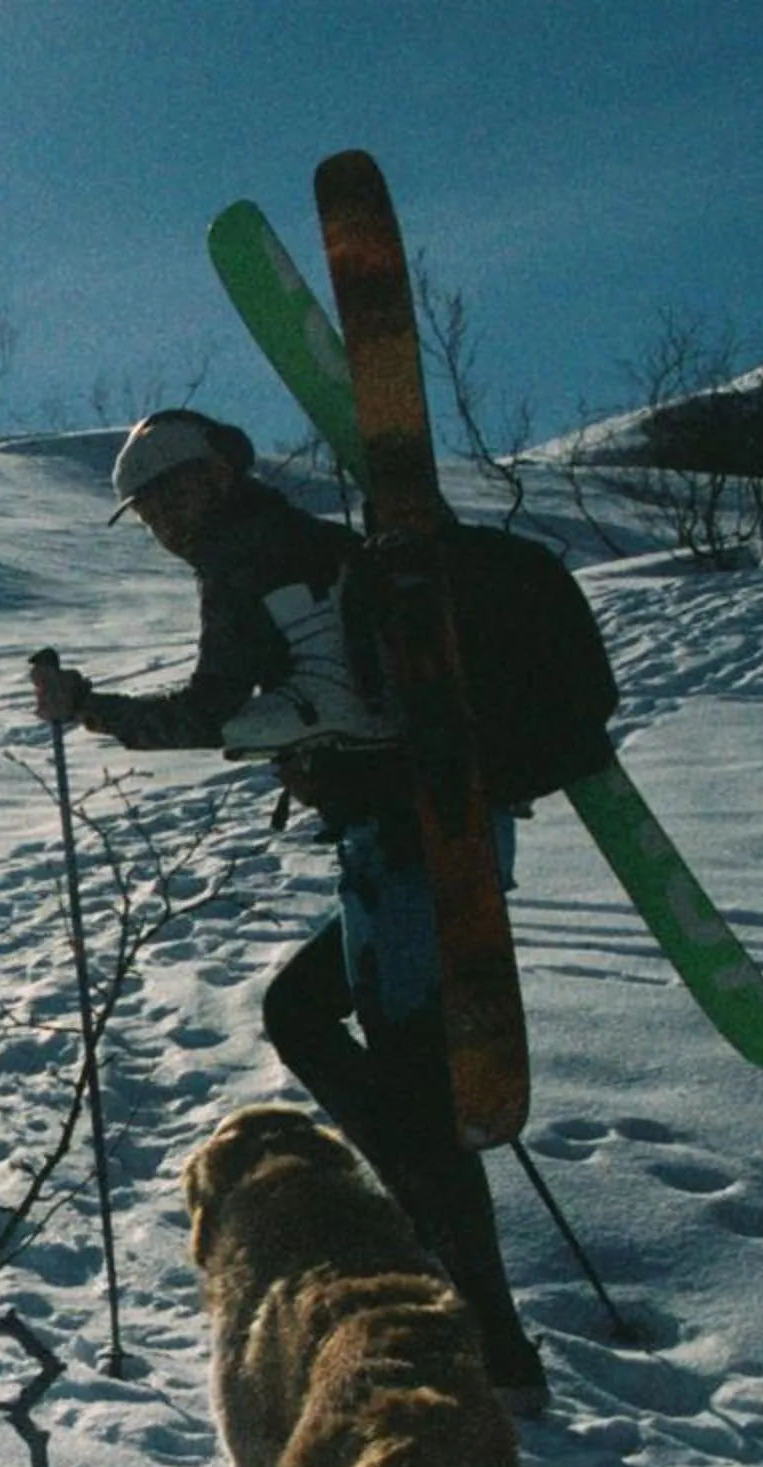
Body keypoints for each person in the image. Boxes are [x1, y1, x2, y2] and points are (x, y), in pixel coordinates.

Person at [31, 408, 550, 1411]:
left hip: (413, 843)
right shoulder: (299, 545)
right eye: (146, 510)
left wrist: (91, 708)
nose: (162, 521)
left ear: (218, 478)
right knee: (310, 1020)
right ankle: (429, 1232)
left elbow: (218, 710)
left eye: (170, 495)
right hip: (419, 833)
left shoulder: (254, 560)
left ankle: (497, 1345)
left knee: (410, 1089)